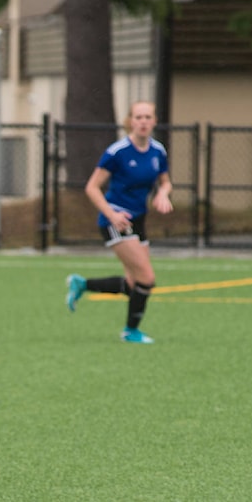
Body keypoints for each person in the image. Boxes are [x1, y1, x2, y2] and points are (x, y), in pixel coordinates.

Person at [66, 100, 173, 344]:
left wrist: (163, 193)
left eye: (148, 117)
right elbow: (92, 188)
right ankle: (130, 331)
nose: (143, 121)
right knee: (147, 279)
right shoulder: (117, 152)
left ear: (155, 121)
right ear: (130, 121)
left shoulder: (158, 151)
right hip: (117, 219)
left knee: (134, 282)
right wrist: (112, 215)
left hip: (139, 219)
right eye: (138, 117)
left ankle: (82, 284)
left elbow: (165, 181)